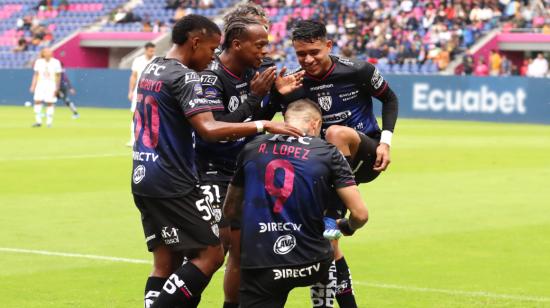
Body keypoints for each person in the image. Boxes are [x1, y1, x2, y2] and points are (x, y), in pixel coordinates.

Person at [130, 14, 303, 308]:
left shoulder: (153, 67)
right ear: (195, 42)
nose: (212, 56)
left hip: (142, 175)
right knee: (211, 254)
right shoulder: (186, 77)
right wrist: (264, 126)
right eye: (211, 49)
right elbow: (210, 130)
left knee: (165, 261)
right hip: (176, 180)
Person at [274, 20, 399, 308]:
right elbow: (289, 124)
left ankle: (334, 212)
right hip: (323, 168)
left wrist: (386, 142)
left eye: (314, 52)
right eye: (301, 54)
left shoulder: (358, 71)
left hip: (364, 154)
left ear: (329, 45)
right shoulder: (295, 82)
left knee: (335, 132)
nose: (307, 60)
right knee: (328, 244)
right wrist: (281, 96)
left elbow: (390, 99)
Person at [196, 14, 302, 308]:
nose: (265, 51)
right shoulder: (211, 77)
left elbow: (254, 122)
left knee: (241, 255)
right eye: (259, 45)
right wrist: (255, 98)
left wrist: (277, 97)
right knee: (211, 255)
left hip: (242, 173)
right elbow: (214, 132)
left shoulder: (249, 74)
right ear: (237, 44)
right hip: (212, 174)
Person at [223, 98, 369, 308]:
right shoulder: (327, 151)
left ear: (285, 120)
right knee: (329, 246)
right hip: (312, 262)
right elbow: (360, 214)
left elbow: (230, 209)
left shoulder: (252, 148)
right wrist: (347, 226)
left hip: (262, 262)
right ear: (315, 124)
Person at [128, 42, 156, 146]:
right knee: (136, 114)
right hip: (139, 91)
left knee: (152, 115)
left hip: (152, 92)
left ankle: (151, 139)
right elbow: (133, 76)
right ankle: (133, 139)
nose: (152, 52)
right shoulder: (138, 60)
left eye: (153, 50)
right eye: (150, 50)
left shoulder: (157, 61)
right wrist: (130, 91)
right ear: (146, 50)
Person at [30, 48, 62, 128]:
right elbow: (36, 74)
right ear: (43, 53)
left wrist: (57, 87)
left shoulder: (56, 62)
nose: (48, 53)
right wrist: (33, 85)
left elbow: (58, 76)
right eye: (46, 52)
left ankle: (49, 122)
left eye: (50, 52)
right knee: (37, 101)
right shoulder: (38, 62)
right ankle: (38, 121)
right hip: (40, 83)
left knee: (50, 102)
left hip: (51, 84)